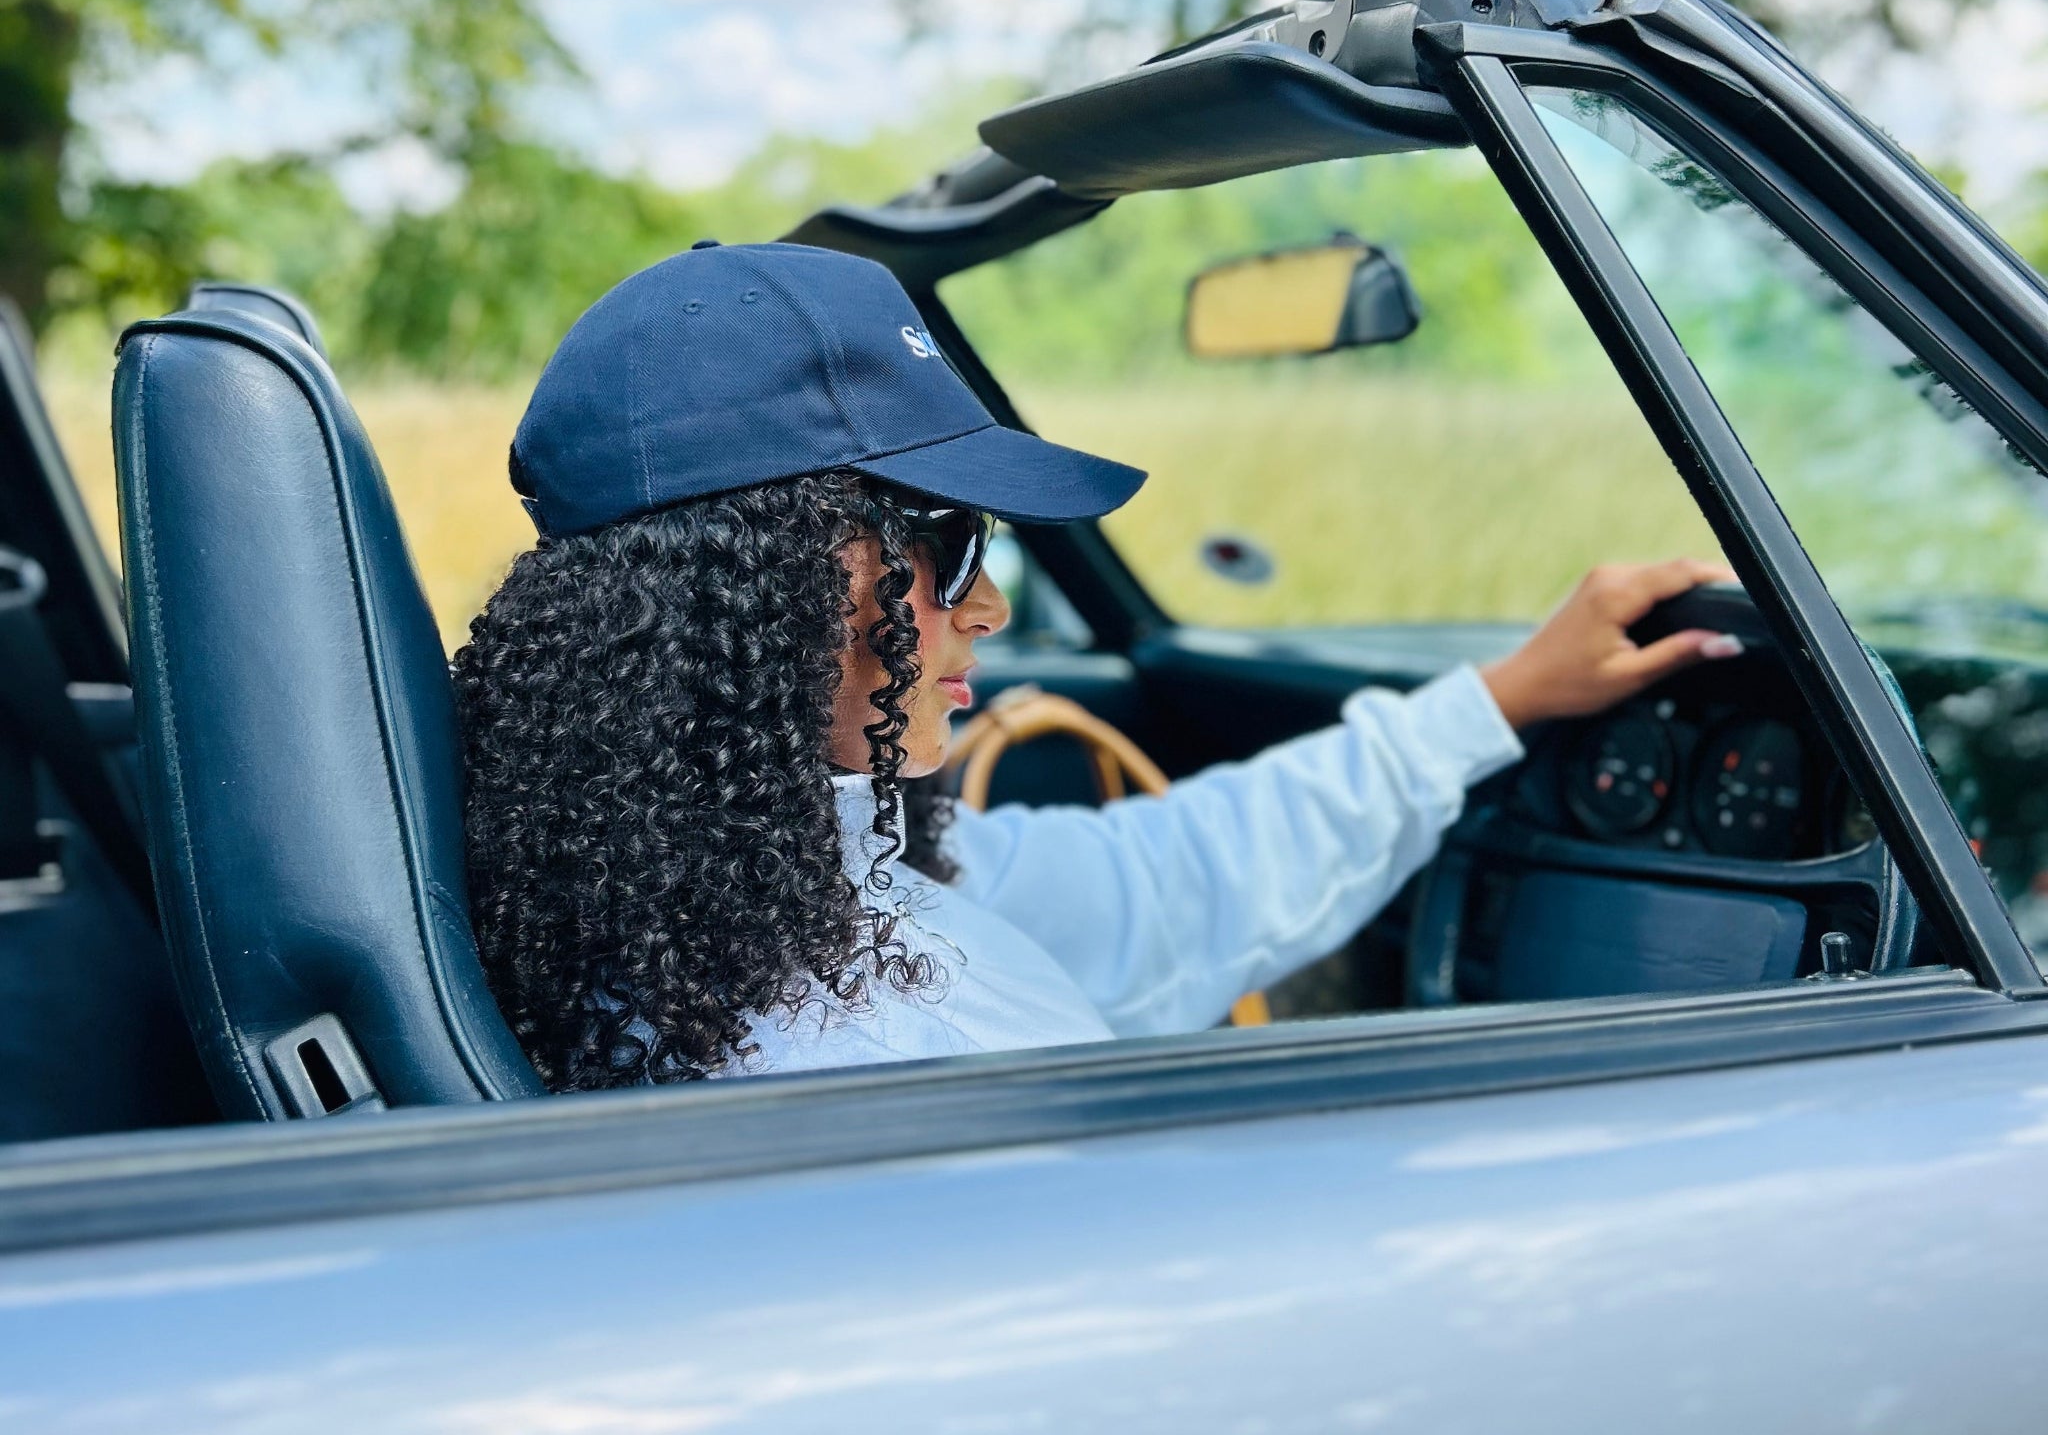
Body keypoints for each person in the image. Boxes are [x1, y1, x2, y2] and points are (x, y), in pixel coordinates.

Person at [456, 240, 1737, 1088]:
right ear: (761, 587)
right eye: (946, 545)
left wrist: (1495, 703)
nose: (991, 604)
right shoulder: (900, 1056)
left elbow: (1156, 881)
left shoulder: (699, 904)